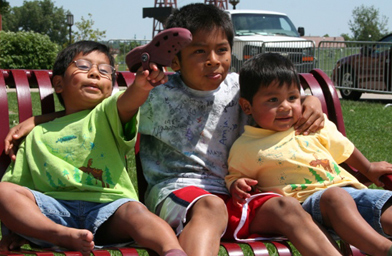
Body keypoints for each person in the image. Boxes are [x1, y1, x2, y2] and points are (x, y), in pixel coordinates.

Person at [4, 4, 328, 256]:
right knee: (210, 205)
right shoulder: (156, 93)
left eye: (222, 50)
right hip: (177, 192)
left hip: (235, 191)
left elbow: (281, 99)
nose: (213, 60)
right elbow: (96, 111)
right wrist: (39, 120)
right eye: (200, 51)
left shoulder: (241, 89)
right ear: (175, 61)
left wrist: (310, 102)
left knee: (285, 208)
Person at [0, 41, 187, 256]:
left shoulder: (108, 114)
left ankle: (172, 251)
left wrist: (142, 85)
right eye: (83, 66)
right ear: (59, 84)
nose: (95, 73)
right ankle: (59, 235)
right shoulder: (35, 134)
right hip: (53, 211)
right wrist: (12, 231)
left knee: (136, 212)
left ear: (110, 89)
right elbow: (17, 187)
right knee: (4, 191)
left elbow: (129, 101)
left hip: (109, 208)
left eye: (104, 70)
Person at [226, 52, 392, 256]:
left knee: (387, 210)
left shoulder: (311, 125)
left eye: (293, 97)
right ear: (247, 106)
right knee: (335, 197)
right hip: (308, 206)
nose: (285, 106)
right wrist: (237, 184)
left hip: (352, 195)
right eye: (273, 100)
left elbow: (344, 148)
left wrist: (368, 168)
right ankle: (384, 250)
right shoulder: (247, 146)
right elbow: (235, 176)